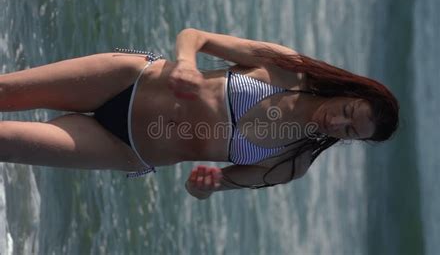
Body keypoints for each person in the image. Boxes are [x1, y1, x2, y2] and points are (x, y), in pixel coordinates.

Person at [0, 28, 399, 200]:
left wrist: (205, 186)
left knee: (6, 143)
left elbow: (206, 187)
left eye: (350, 132)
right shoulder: (287, 68)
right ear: (350, 90)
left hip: (124, 146)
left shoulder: (290, 164)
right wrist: (187, 62)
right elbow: (196, 37)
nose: (338, 124)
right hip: (127, 79)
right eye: (348, 112)